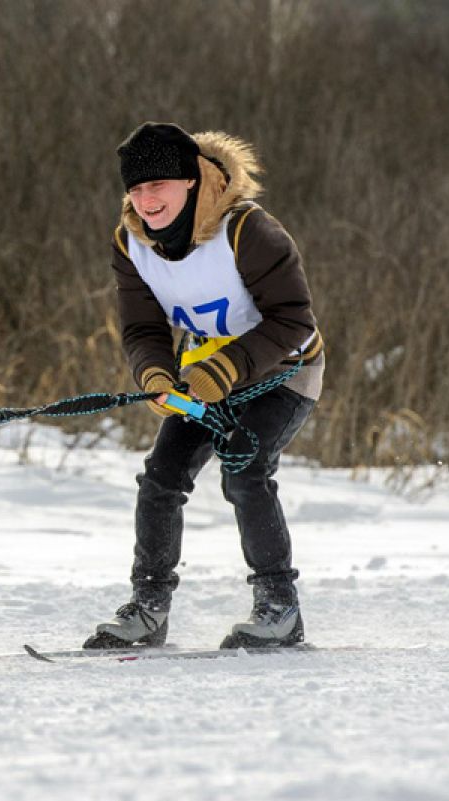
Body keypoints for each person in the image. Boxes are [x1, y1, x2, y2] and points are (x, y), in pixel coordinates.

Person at [86, 122, 325, 650]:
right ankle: (149, 609)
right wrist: (153, 374)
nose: (146, 200)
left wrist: (227, 369)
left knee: (244, 472)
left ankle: (279, 608)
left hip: (284, 371)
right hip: (204, 377)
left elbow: (294, 321)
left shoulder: (248, 230)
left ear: (191, 180)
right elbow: (142, 329)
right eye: (136, 188)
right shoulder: (132, 243)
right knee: (161, 477)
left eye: (158, 185)